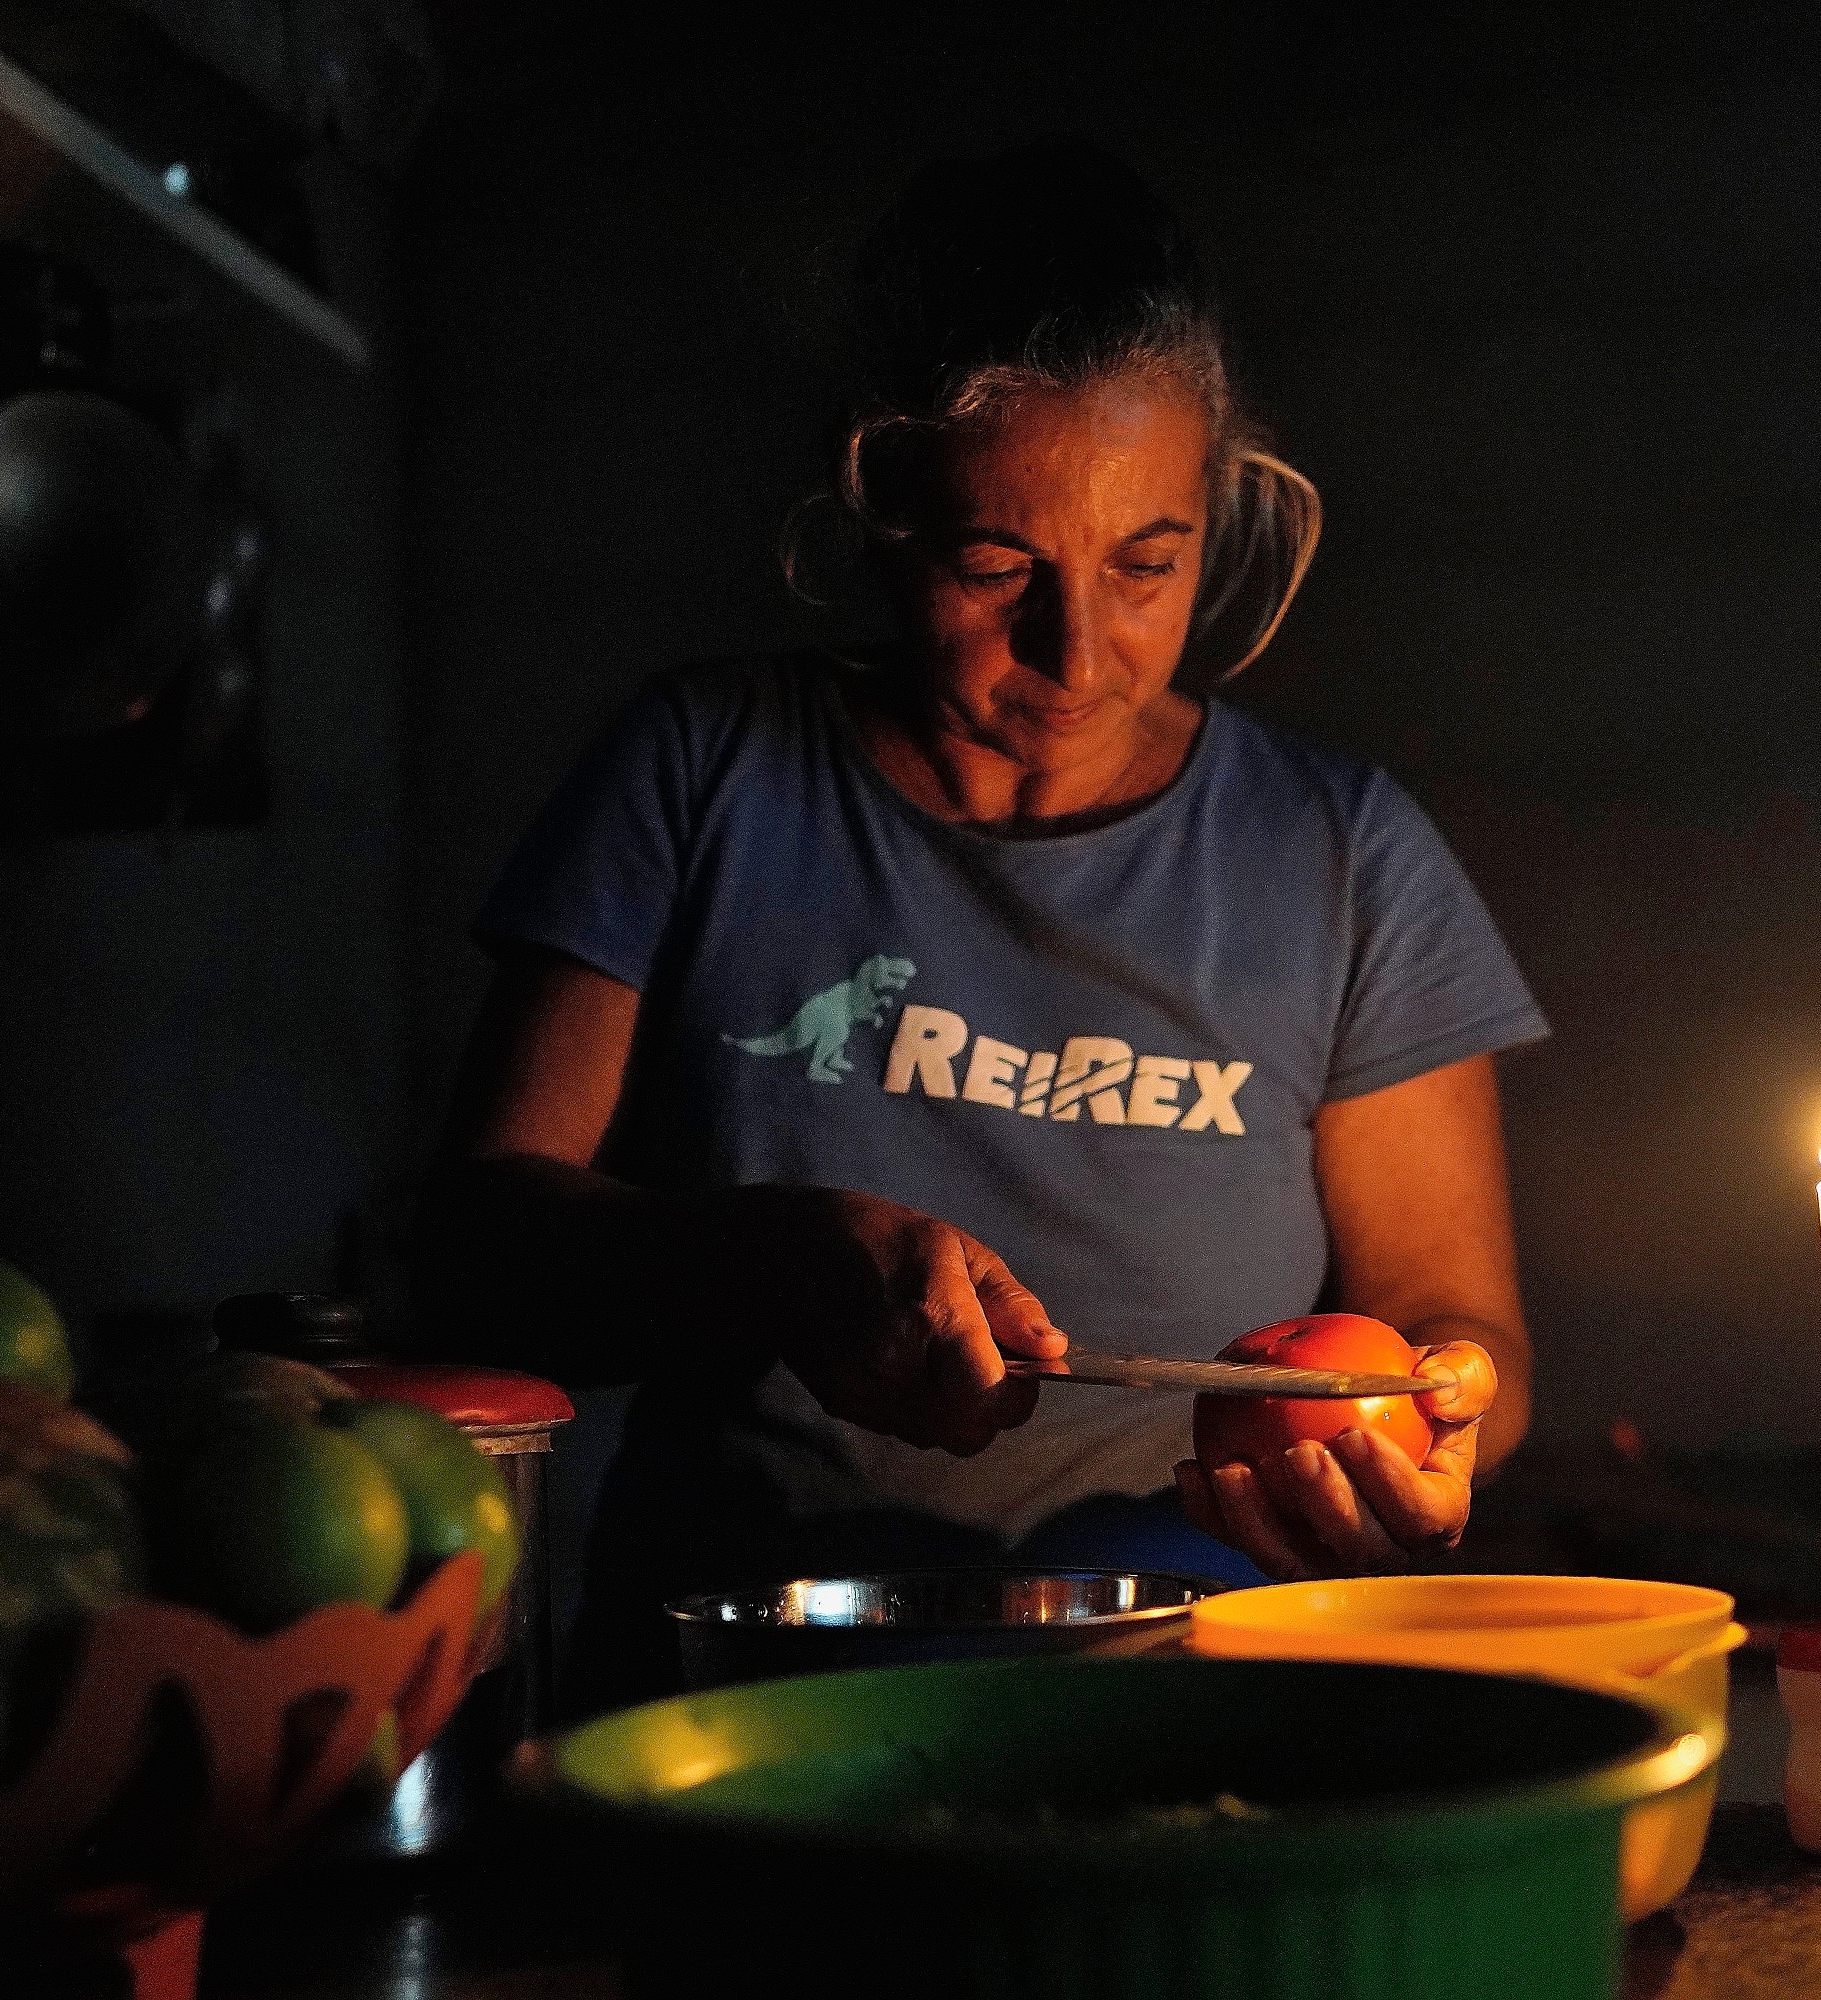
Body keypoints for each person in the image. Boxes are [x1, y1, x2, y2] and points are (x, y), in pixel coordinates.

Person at [422, 141, 1548, 1711]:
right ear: (876, 503)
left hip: (1196, 1685)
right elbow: (475, 1251)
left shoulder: (1340, 852)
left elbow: (1456, 1323)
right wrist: (767, 1257)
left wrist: (1436, 1434)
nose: (1077, 648)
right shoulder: (704, 770)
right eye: (994, 562)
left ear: (1224, 505)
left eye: (1148, 562)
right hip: (748, 1686)